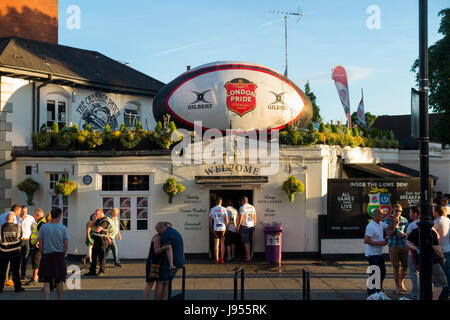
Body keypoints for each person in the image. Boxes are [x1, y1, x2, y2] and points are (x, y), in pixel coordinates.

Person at [407, 226, 448, 300]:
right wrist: (442, 257)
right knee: (441, 282)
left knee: (425, 281)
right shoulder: (431, 232)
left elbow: (408, 242)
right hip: (432, 261)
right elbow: (436, 247)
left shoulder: (415, 231)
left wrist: (417, 248)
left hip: (419, 261)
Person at [37, 207, 69, 300]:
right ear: (59, 215)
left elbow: (40, 243)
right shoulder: (63, 228)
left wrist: (42, 253)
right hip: (59, 256)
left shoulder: (44, 227)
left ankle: (46, 299)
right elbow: (66, 245)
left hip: (47, 255)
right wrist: (63, 254)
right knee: (59, 281)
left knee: (46, 281)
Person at [154, 222, 185, 300]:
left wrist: (171, 264)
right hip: (179, 261)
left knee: (160, 282)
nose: (158, 233)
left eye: (158, 230)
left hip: (171, 262)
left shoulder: (165, 234)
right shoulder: (174, 231)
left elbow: (169, 248)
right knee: (167, 281)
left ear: (162, 228)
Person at [384, 203, 409, 295]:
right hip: (393, 246)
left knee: (405, 266)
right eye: (396, 210)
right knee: (395, 267)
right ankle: (397, 287)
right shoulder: (387, 220)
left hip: (404, 246)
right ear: (392, 210)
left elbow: (408, 233)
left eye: (400, 211)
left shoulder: (405, 220)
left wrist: (404, 234)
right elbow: (389, 233)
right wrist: (396, 224)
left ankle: (401, 282)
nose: (398, 212)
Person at [144, 227, 174, 300]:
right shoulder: (157, 237)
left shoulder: (163, 237)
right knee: (150, 283)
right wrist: (164, 247)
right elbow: (156, 251)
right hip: (154, 263)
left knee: (159, 283)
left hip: (160, 263)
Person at [364, 208, 388, 296]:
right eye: (381, 214)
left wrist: (394, 221)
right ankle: (371, 294)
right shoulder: (370, 226)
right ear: (376, 216)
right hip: (372, 254)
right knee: (374, 274)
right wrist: (380, 243)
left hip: (378, 253)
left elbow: (390, 227)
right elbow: (366, 240)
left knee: (382, 272)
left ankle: (378, 290)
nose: (383, 216)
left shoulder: (381, 224)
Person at [0, 213, 24, 293]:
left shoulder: (1, 228)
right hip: (15, 252)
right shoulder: (18, 227)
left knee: (2, 271)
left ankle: (0, 288)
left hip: (3, 252)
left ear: (6, 219)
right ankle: (17, 287)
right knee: (15, 270)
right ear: (14, 219)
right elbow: (20, 237)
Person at [86, 209, 111, 276]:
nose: (96, 215)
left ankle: (102, 271)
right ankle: (92, 271)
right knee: (94, 256)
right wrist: (94, 220)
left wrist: (94, 228)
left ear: (101, 213)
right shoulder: (97, 220)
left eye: (97, 214)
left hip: (102, 241)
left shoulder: (105, 221)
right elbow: (90, 226)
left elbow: (97, 230)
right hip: (96, 240)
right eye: (95, 214)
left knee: (102, 257)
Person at [25, 208, 46, 287]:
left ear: (38, 215)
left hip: (38, 246)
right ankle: (39, 277)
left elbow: (42, 233)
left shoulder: (41, 222)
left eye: (34, 215)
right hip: (39, 245)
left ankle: (34, 279)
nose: (33, 216)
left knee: (36, 262)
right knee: (38, 262)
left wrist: (37, 242)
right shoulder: (41, 221)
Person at [433, 205, 450, 299]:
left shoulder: (436, 222)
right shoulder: (448, 220)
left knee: (441, 275)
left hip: (440, 251)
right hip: (448, 249)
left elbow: (434, 238)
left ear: (436, 212)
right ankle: (446, 293)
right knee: (448, 273)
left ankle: (442, 295)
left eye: (433, 210)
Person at [406, 206, 421, 300]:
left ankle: (416, 294)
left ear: (415, 214)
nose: (409, 214)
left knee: (413, 273)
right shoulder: (426, 224)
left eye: (410, 212)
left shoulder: (411, 225)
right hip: (424, 253)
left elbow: (407, 240)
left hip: (413, 253)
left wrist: (417, 249)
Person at [209, 197, 228, 264]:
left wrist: (211, 227)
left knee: (216, 244)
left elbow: (210, 219)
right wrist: (227, 226)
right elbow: (226, 219)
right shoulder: (224, 209)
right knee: (222, 244)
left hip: (215, 228)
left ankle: (217, 259)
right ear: (221, 202)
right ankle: (222, 258)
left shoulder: (212, 209)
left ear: (215, 202)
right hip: (223, 228)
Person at [18, 205, 34, 280]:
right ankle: (14, 275)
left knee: (25, 258)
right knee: (17, 258)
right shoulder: (16, 218)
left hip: (27, 240)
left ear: (27, 211)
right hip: (18, 240)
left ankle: (23, 275)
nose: (24, 212)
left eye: (25, 211)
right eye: (22, 211)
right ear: (20, 211)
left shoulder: (30, 218)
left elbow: (36, 227)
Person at [237, 196, 256, 262]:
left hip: (245, 226)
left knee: (246, 242)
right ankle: (247, 255)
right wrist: (254, 225)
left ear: (242, 201)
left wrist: (238, 226)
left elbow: (241, 218)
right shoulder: (252, 207)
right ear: (247, 201)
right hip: (251, 226)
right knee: (248, 241)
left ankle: (248, 257)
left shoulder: (241, 207)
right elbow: (254, 217)